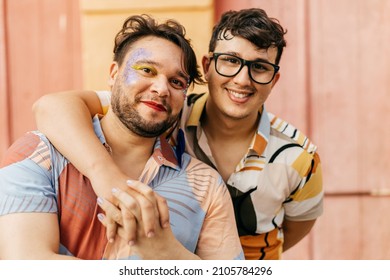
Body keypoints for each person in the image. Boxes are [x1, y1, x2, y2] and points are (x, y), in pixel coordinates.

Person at [32, 8, 323, 260]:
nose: (242, 79)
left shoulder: (299, 157)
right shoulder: (163, 109)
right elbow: (51, 107)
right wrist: (105, 174)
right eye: (231, 61)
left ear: (274, 79)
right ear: (208, 66)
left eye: (259, 67)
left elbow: (296, 228)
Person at [0, 14, 244, 260]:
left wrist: (169, 254)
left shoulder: (206, 186)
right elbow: (23, 265)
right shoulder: (39, 154)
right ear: (114, 74)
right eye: (146, 70)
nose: (161, 89)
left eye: (176, 81)